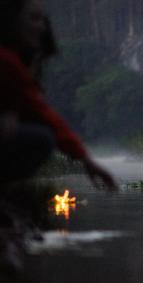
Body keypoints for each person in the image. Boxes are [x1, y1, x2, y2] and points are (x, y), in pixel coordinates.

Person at [0, 0, 117, 190]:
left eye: (43, 19)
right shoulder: (6, 62)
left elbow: (40, 111)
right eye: (34, 18)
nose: (42, 26)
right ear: (10, 21)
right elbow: (42, 114)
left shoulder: (12, 61)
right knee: (39, 138)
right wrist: (85, 160)